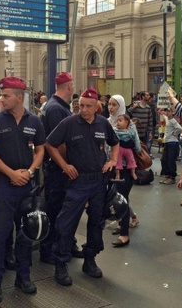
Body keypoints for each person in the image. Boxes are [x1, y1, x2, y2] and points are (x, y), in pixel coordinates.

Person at [46, 87, 119, 286]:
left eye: (88, 106)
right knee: (66, 223)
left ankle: (90, 260)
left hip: (99, 181)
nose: (84, 110)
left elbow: (115, 142)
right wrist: (64, 165)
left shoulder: (103, 123)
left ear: (97, 107)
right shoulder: (69, 123)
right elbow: (50, 144)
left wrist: (113, 160)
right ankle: (60, 265)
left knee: (96, 223)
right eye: (81, 106)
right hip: (77, 181)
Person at [0, 76, 45, 304]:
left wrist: (28, 172)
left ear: (20, 98)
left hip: (26, 186)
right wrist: (11, 174)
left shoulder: (35, 122)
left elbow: (40, 150)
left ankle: (23, 276)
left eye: (6, 95)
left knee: (27, 233)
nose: (1, 99)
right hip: (3, 186)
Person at [39, 72, 84, 264]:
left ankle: (65, 244)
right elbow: (59, 142)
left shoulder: (54, 106)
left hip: (57, 167)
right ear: (69, 87)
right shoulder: (57, 109)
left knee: (61, 210)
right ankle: (50, 250)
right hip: (59, 169)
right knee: (57, 209)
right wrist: (69, 164)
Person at [107, 95, 137, 247]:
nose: (110, 107)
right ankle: (121, 224)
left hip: (126, 168)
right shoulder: (107, 123)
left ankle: (124, 234)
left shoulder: (129, 126)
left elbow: (135, 145)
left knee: (122, 199)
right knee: (115, 197)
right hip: (111, 167)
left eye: (114, 104)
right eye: (109, 104)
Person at [113, 114, 140, 181]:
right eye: (117, 121)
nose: (118, 122)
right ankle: (117, 174)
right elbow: (112, 141)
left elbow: (136, 139)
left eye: (120, 120)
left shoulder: (131, 131)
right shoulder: (115, 131)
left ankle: (133, 172)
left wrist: (138, 148)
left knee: (131, 160)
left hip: (128, 149)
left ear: (126, 122)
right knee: (118, 161)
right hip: (119, 149)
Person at [159, 107, 182, 185]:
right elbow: (163, 117)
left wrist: (174, 134)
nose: (167, 113)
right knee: (164, 159)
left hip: (173, 142)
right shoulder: (167, 119)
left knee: (171, 160)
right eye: (166, 111)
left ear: (172, 112)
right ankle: (167, 175)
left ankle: (172, 177)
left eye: (169, 111)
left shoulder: (173, 121)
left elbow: (179, 128)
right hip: (167, 142)